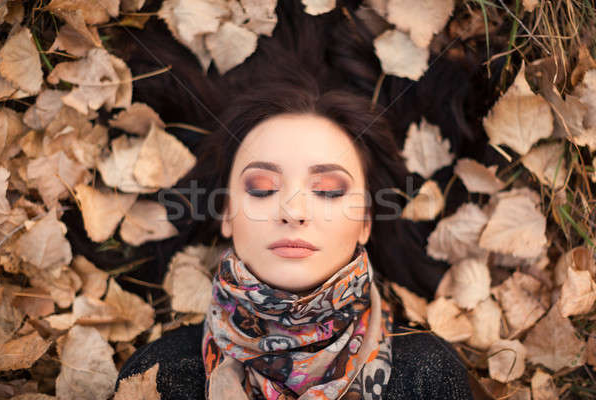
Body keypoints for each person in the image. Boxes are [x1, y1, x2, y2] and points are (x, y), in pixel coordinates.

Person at [114, 80, 474, 399]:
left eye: (329, 191)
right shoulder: (157, 375)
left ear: (365, 221)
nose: (293, 211)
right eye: (262, 188)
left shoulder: (429, 374)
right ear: (226, 214)